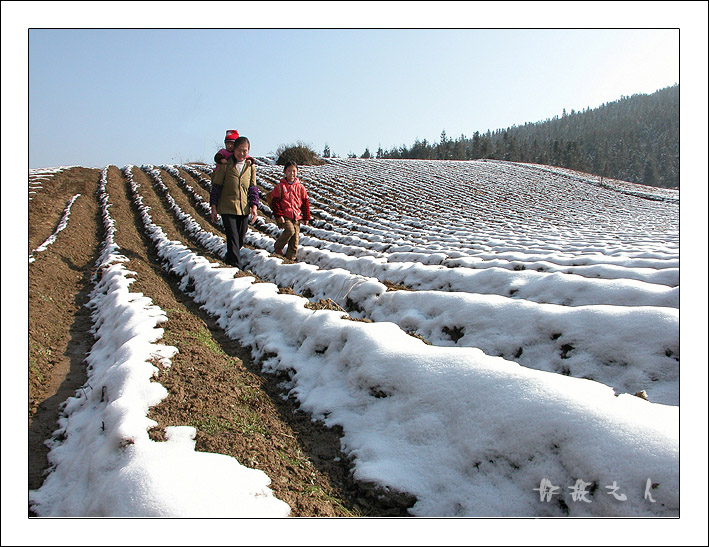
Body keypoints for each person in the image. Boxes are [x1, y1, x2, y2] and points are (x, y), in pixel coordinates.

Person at [210, 136, 259, 268]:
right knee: (232, 237)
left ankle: (228, 258)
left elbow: (253, 188)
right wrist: (213, 207)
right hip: (227, 206)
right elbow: (216, 186)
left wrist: (254, 206)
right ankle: (235, 266)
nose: (242, 153)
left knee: (240, 239)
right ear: (234, 150)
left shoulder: (250, 167)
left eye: (245, 151)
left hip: (243, 208)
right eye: (239, 150)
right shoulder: (225, 165)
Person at [270, 161, 311, 260]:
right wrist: (279, 216)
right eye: (289, 171)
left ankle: (290, 260)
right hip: (285, 215)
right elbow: (275, 202)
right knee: (289, 230)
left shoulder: (300, 187)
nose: (291, 173)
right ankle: (278, 246)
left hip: (296, 216)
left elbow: (305, 203)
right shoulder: (280, 187)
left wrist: (306, 217)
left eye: (294, 171)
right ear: (284, 172)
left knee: (295, 241)